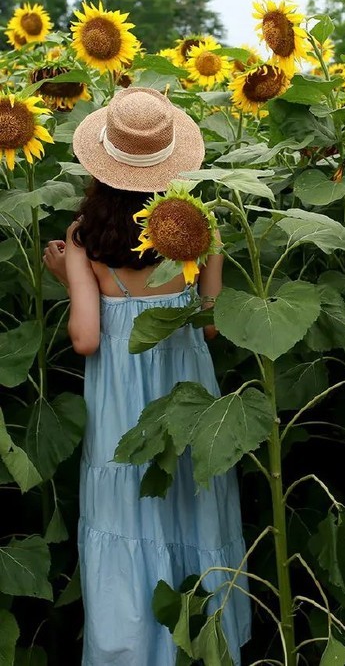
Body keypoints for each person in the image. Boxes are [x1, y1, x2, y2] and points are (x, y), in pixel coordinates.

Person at [44, 87, 251, 666]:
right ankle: (204, 646)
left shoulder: (86, 234)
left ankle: (129, 649)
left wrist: (70, 280)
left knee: (126, 513)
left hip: (120, 403)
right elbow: (211, 326)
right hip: (186, 393)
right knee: (191, 503)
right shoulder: (200, 228)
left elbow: (86, 338)